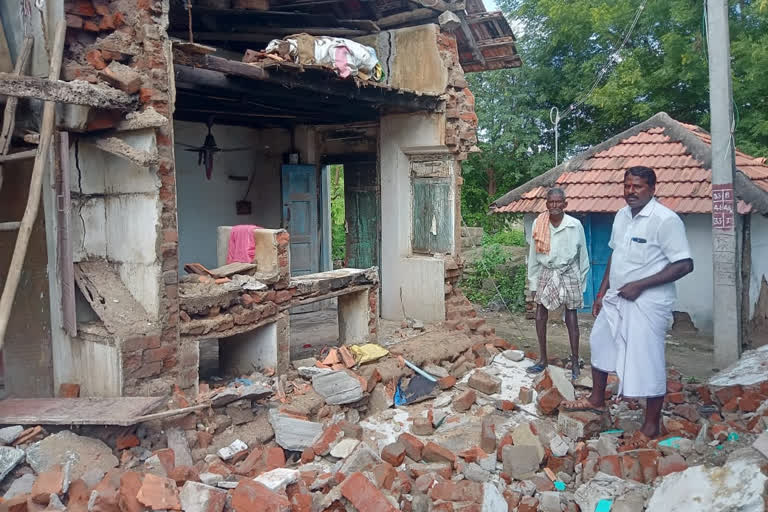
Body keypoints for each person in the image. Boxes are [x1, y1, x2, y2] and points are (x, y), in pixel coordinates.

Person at [561, 166, 694, 449]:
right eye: (627, 186)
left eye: (637, 187)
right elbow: (614, 254)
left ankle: (651, 425)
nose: (630, 191)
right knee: (600, 341)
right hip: (617, 298)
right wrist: (601, 291)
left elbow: (684, 264)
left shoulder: (665, 220)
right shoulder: (622, 216)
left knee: (647, 359)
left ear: (652, 189)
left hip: (648, 302)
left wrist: (642, 285)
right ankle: (597, 400)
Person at [526, 187, 590, 380]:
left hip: (569, 271)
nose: (554, 205)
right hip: (547, 270)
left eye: (558, 202)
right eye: (551, 202)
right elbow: (533, 257)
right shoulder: (539, 223)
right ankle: (542, 360)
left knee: (571, 316)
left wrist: (581, 284)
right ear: (546, 204)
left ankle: (575, 362)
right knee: (540, 314)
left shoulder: (574, 225)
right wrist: (533, 284)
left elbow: (583, 257)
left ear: (565, 204)